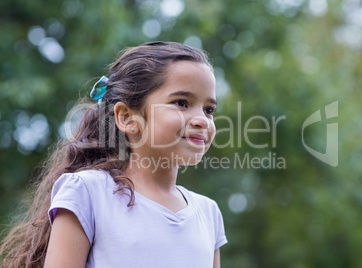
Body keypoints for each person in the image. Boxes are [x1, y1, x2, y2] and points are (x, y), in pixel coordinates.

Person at [0, 41, 227, 267]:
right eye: (181, 103)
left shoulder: (209, 214)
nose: (202, 121)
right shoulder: (87, 193)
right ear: (127, 118)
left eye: (209, 110)